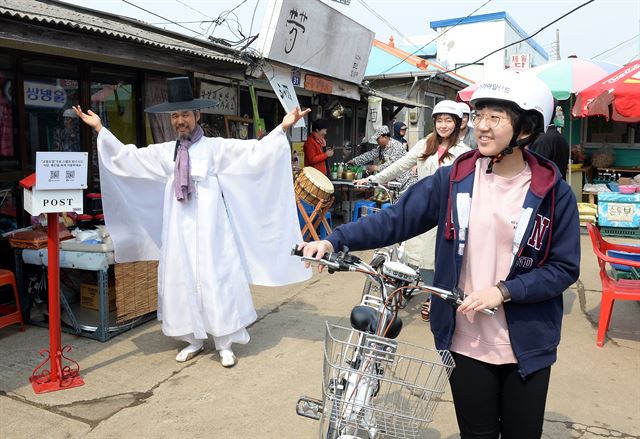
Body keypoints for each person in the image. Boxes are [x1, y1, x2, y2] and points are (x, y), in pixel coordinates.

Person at [299, 71, 580, 438]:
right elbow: (397, 219)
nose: (482, 126)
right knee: (476, 434)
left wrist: (505, 291)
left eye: (496, 118)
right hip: (465, 340)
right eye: (479, 115)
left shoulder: (554, 193)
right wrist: (336, 240)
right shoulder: (455, 179)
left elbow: (564, 267)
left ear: (525, 128)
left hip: (527, 344)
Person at [73, 77, 310, 367]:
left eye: (185, 114)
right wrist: (100, 128)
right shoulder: (165, 152)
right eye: (175, 115)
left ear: (197, 115)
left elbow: (253, 152)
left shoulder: (215, 148)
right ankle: (192, 339)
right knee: (181, 277)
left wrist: (283, 127)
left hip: (211, 229)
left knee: (216, 275)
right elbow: (127, 157)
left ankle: (224, 342)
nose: (180, 120)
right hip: (177, 230)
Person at [353, 100, 470, 320]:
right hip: (423, 208)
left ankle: (434, 296)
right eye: (440, 120)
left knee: (438, 259)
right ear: (434, 122)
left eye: (449, 121)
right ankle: (431, 292)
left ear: (457, 123)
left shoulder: (464, 152)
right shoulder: (426, 143)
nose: (444, 125)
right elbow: (400, 165)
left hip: (448, 211)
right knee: (420, 258)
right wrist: (372, 179)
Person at [348, 125, 415, 189]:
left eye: (378, 138)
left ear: (385, 137)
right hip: (394, 181)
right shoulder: (381, 147)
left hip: (406, 181)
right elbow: (370, 154)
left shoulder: (396, 146)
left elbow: (392, 164)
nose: (377, 141)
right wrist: (355, 161)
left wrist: (377, 168)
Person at [529, 104, 570, 179]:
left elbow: (537, 170)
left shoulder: (542, 140)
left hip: (546, 187)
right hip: (558, 185)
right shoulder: (561, 138)